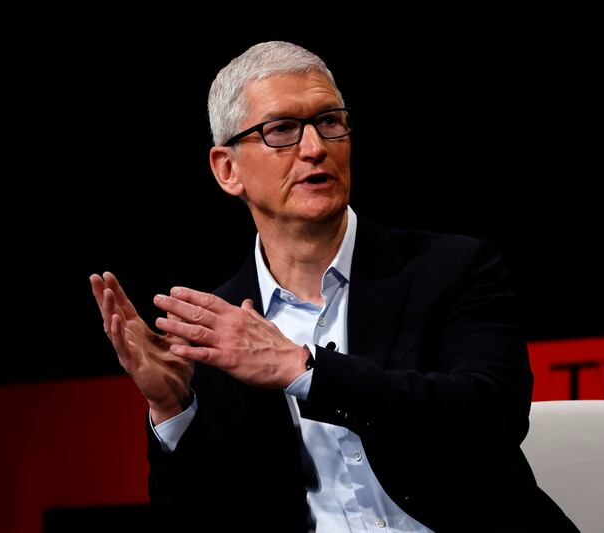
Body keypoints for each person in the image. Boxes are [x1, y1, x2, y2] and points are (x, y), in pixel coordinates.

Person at [90, 41, 578, 532]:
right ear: (227, 169)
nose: (315, 147)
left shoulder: (451, 268)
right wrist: (172, 410)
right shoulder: (217, 331)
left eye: (329, 121)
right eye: (282, 129)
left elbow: (493, 415)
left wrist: (304, 370)